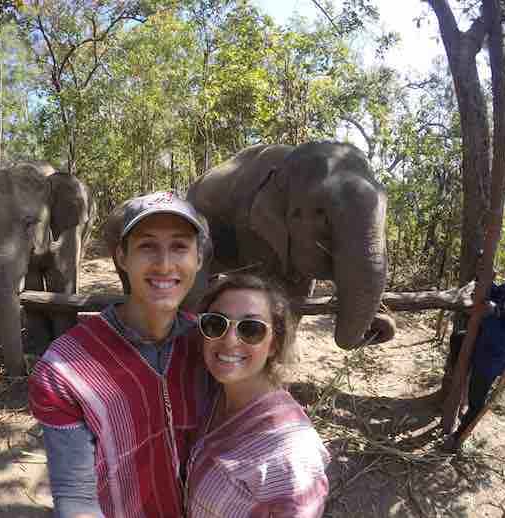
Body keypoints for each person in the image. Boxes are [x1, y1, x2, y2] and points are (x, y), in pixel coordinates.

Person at [28, 191, 211, 518]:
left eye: (180, 246)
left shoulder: (211, 345)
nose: (165, 264)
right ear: (121, 257)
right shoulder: (64, 371)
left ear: (199, 258)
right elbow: (76, 497)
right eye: (147, 246)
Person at [185, 273, 330, 517]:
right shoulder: (213, 395)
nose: (229, 340)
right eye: (216, 324)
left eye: (251, 329)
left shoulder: (290, 455)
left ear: (274, 343)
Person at [445, 261, 505, 451]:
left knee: (476, 400)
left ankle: (459, 438)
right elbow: (495, 294)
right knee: (458, 338)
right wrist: (486, 280)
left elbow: (504, 341)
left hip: (492, 358)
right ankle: (457, 377)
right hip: (482, 342)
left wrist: (488, 314)